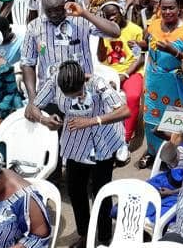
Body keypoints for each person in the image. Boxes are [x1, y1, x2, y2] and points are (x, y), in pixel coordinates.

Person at [32, 60, 128, 248]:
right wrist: (45, 120)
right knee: (76, 191)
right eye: (68, 95)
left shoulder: (97, 83)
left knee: (101, 191)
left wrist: (92, 121)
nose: (74, 98)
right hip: (75, 143)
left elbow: (124, 111)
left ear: (83, 81)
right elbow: (34, 106)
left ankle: (104, 237)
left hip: (102, 142)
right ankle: (84, 234)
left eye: (77, 94)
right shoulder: (55, 81)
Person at [137, 0, 183, 166]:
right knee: (152, 121)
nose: (167, 12)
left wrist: (174, 52)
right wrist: (140, 44)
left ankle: (175, 156)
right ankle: (153, 152)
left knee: (177, 123)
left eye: (171, 8)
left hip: (180, 86)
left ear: (179, 8)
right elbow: (147, 45)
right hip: (156, 83)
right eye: (163, 8)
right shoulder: (153, 25)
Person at [95, 1, 145, 143]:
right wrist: (101, 36)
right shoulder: (104, 31)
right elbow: (101, 58)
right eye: (107, 16)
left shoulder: (134, 30)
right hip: (108, 73)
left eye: (114, 14)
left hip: (131, 71)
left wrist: (125, 75)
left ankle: (126, 138)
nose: (111, 18)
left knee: (133, 96)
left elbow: (139, 58)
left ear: (121, 13)